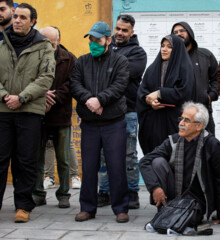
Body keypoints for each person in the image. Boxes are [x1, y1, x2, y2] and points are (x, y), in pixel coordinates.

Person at [0, 3, 55, 223]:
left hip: (29, 111)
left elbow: (46, 78)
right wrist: (5, 96)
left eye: (23, 17)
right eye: (15, 17)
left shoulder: (43, 46)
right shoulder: (1, 42)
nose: (17, 21)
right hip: (2, 110)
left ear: (33, 22)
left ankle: (23, 206)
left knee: (25, 161)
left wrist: (21, 97)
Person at [70, 21, 130, 223]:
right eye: (91, 39)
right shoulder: (81, 61)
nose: (94, 43)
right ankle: (87, 207)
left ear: (108, 40)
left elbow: (120, 85)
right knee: (88, 167)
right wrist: (90, 100)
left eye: (98, 39)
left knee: (116, 166)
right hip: (89, 122)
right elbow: (75, 84)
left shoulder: (120, 61)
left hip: (114, 122)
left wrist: (101, 99)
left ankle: (121, 208)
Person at [139, 102, 220, 227]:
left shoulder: (212, 145)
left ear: (199, 126)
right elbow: (144, 161)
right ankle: (166, 208)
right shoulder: (173, 141)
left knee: (188, 222)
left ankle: (171, 214)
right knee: (157, 162)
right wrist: (155, 187)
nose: (181, 123)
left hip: (197, 200)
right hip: (175, 193)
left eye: (186, 120)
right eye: (181, 119)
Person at [97, 14, 147, 209]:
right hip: (105, 111)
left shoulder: (138, 52)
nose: (119, 33)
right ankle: (104, 191)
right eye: (117, 28)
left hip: (128, 111)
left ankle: (132, 191)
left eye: (124, 30)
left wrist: (106, 70)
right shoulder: (104, 48)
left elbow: (124, 75)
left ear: (131, 32)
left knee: (129, 154)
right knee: (103, 154)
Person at [31, 26, 77, 208]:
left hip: (61, 115)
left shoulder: (69, 59)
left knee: (63, 158)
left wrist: (54, 97)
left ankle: (63, 193)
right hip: (38, 114)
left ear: (58, 40)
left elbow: (71, 84)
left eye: (51, 43)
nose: (48, 47)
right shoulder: (33, 57)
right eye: (44, 42)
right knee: (37, 157)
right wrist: (41, 96)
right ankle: (38, 193)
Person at [137, 35, 194, 155]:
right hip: (154, 124)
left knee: (174, 160)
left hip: (174, 123)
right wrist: (150, 101)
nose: (164, 49)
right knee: (155, 159)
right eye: (162, 46)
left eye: (169, 47)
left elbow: (183, 92)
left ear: (177, 49)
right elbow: (142, 90)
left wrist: (160, 93)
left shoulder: (185, 67)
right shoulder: (152, 69)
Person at [170, 22, 218, 134]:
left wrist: (211, 96)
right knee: (179, 149)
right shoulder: (170, 59)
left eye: (182, 30)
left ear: (190, 33)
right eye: (175, 32)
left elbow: (216, 79)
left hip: (202, 112)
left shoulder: (205, 55)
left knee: (207, 147)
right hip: (178, 115)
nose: (178, 34)